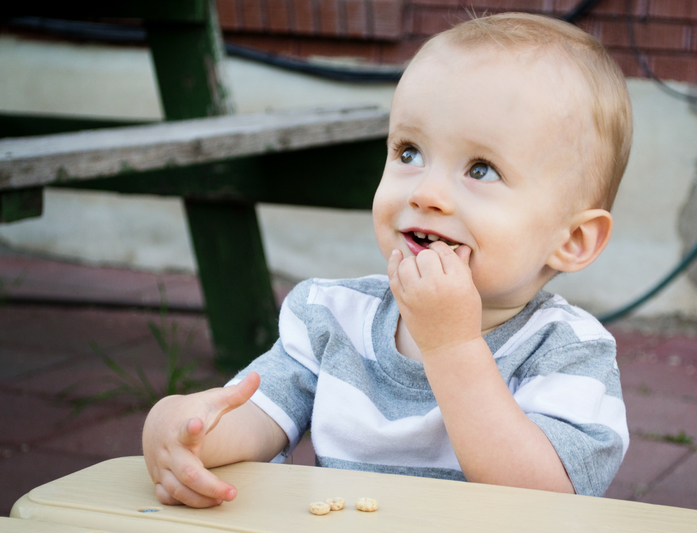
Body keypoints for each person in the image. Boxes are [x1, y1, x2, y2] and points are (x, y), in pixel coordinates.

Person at [142, 11, 633, 508]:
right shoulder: (332, 317)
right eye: (409, 152)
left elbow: (546, 498)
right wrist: (184, 428)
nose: (427, 192)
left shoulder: (568, 351)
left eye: (481, 169)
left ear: (572, 240)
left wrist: (452, 346)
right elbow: (257, 419)